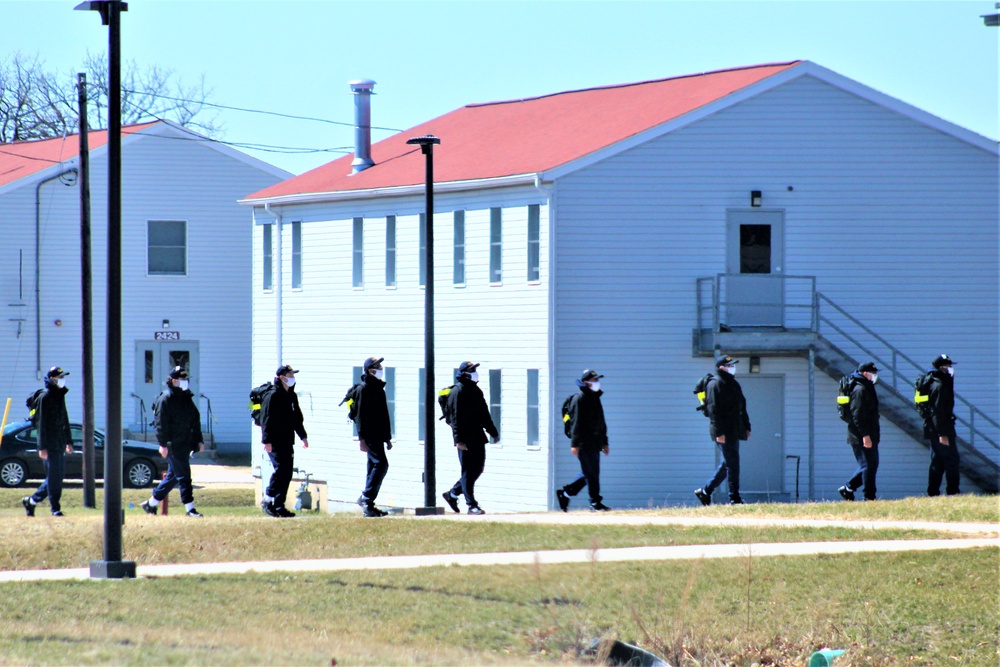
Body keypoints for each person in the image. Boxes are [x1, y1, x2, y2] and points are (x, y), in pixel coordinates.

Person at [140, 366, 205, 518]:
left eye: (186, 379)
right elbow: (160, 424)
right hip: (173, 444)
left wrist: (199, 440)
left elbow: (195, 420)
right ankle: (190, 509)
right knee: (184, 476)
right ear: (174, 381)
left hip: (185, 443)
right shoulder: (166, 398)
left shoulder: (186, 398)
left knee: (173, 476)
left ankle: (151, 504)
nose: (185, 382)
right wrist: (163, 444)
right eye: (182, 379)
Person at [441, 361, 499, 515]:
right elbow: (455, 418)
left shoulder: (476, 391)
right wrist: (458, 440)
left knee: (477, 469)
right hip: (465, 439)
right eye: (472, 370)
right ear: (465, 373)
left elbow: (484, 414)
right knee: (467, 471)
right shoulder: (457, 392)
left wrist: (492, 431)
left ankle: (452, 494)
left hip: (478, 436)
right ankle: (471, 505)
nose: (475, 373)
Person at [694, 355, 751, 506]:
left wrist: (746, 426)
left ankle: (705, 492)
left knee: (729, 463)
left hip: (734, 428)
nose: (733, 367)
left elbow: (742, 406)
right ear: (722, 368)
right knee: (733, 464)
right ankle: (735, 499)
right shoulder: (715, 384)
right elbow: (713, 411)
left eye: (733, 364)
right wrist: (719, 433)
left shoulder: (733, 384)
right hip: (723, 431)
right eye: (730, 365)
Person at [555, 369, 611, 512]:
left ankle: (565, 493)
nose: (597, 383)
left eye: (597, 380)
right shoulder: (579, 399)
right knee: (590, 473)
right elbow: (576, 423)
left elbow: (601, 422)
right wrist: (574, 444)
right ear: (586, 383)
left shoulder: (595, 398)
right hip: (583, 442)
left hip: (595, 442)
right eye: (594, 380)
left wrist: (604, 442)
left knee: (590, 472)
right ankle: (595, 502)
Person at [22, 366, 74, 517]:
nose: (62, 380)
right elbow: (42, 423)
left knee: (56, 476)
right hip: (49, 443)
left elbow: (65, 419)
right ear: (52, 378)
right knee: (54, 477)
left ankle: (31, 501)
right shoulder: (45, 397)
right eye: (59, 377)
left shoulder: (59, 396)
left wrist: (69, 441)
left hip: (59, 442)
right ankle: (55, 508)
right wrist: (42, 446)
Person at [259, 364, 309, 517]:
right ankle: (267, 500)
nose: (293, 378)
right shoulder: (272, 395)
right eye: (290, 375)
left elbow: (296, 419)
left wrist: (303, 436)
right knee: (280, 470)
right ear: (282, 377)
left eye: (293, 375)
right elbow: (266, 418)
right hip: (274, 440)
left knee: (287, 473)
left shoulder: (291, 396)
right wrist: (266, 440)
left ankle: (279, 505)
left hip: (287, 439)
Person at [838, 361, 881, 501]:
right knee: (867, 465)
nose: (874, 376)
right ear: (864, 373)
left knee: (871, 464)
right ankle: (869, 497)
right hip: (860, 435)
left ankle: (848, 488)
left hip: (869, 433)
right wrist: (865, 435)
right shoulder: (859, 389)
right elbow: (857, 415)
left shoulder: (867, 387)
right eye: (872, 373)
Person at [356, 356, 392, 518]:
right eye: (377, 367)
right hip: (370, 435)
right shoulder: (364, 389)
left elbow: (383, 416)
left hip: (378, 435)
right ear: (369, 370)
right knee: (381, 464)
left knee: (373, 466)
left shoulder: (378, 388)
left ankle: (367, 502)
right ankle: (367, 498)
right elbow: (360, 416)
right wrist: (361, 438)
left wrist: (387, 438)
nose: (380, 369)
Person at [925, 354, 959, 496]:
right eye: (948, 366)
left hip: (938, 429)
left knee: (938, 462)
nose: (950, 369)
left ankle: (933, 492)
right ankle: (952, 492)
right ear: (941, 367)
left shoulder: (942, 382)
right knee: (952, 460)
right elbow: (937, 412)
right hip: (941, 430)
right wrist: (942, 434)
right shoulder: (939, 385)